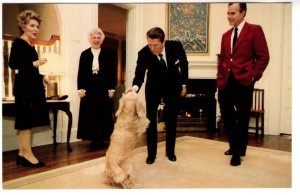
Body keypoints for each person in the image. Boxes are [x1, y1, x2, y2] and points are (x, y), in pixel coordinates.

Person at [216, 3, 270, 166]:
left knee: (242, 116)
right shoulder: (225, 35)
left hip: (244, 80)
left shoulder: (255, 30)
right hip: (226, 81)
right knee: (226, 113)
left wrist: (253, 76)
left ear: (243, 13)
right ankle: (234, 145)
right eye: (228, 13)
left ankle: (238, 152)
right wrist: (219, 76)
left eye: (232, 13)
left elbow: (264, 57)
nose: (229, 16)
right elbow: (223, 59)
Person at [127, 27, 188, 164]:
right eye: (149, 44)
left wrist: (184, 84)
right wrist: (134, 88)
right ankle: (151, 155)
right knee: (151, 121)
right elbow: (139, 74)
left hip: (172, 85)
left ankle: (170, 152)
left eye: (155, 45)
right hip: (153, 87)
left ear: (163, 42)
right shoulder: (143, 53)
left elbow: (184, 64)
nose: (152, 48)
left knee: (171, 119)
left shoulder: (175, 46)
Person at [9, 10, 50, 167]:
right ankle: (27, 153)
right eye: (32, 25)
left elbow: (31, 72)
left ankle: (21, 153)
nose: (35, 29)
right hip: (24, 90)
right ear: (23, 26)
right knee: (25, 123)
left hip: (31, 89)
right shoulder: (18, 43)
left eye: (37, 26)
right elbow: (13, 64)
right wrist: (34, 64)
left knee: (26, 122)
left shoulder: (30, 46)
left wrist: (42, 78)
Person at [77, 27, 116, 149]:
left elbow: (111, 72)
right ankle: (93, 139)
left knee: (103, 113)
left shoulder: (108, 54)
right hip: (89, 87)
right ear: (90, 39)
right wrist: (81, 88)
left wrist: (111, 88)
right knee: (90, 113)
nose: (96, 40)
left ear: (101, 40)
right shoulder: (84, 54)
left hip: (103, 87)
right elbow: (81, 72)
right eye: (94, 37)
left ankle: (102, 138)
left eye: (98, 38)